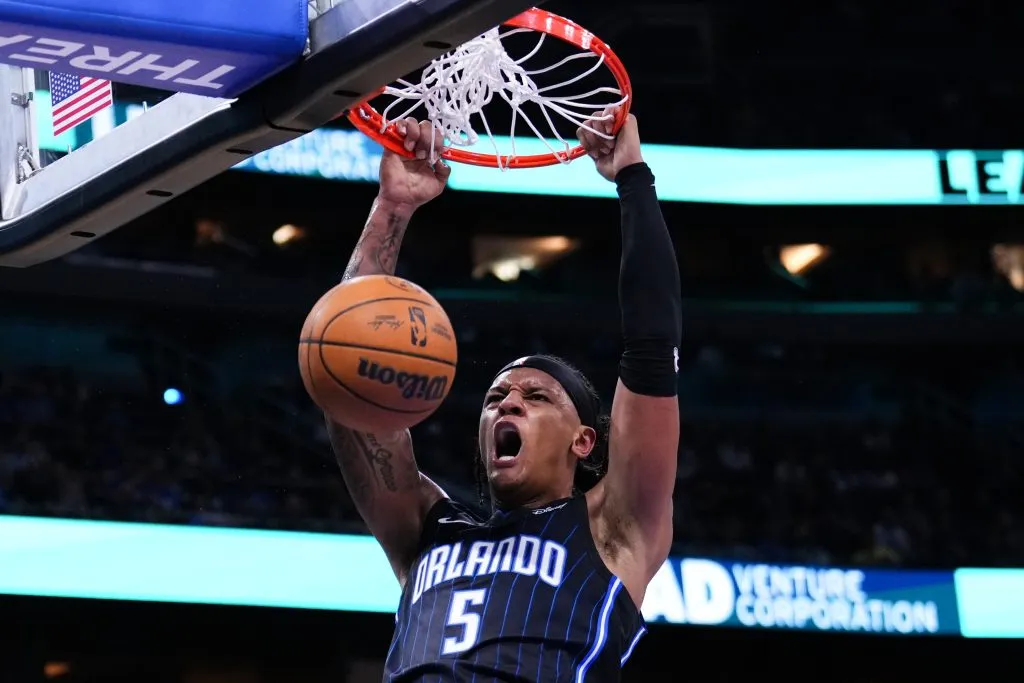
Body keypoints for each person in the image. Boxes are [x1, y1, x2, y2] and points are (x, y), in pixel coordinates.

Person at [327, 108, 681, 682]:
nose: (507, 404)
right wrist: (392, 207)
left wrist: (632, 177)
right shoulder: (426, 529)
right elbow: (348, 361)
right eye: (495, 398)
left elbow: (652, 344)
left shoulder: (613, 530)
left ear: (584, 440)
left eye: (537, 397)